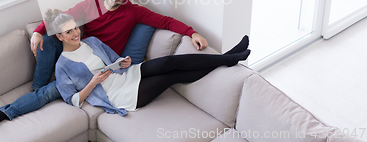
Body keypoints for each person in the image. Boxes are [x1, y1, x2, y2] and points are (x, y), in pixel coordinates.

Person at [0, 0, 209, 127]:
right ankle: (28, 93)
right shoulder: (89, 7)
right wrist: (38, 30)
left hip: (100, 63)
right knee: (48, 44)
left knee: (50, 92)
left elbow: (165, 21)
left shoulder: (133, 11)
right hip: (79, 56)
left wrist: (192, 32)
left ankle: (8, 111)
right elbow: (61, 19)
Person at [51, 10, 250, 114]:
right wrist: (93, 82)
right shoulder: (62, 66)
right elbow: (73, 100)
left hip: (127, 74)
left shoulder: (91, 42)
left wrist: (124, 62)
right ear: (60, 37)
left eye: (76, 28)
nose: (76, 33)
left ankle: (227, 57)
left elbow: (114, 60)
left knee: (168, 62)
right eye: (69, 32)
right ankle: (228, 59)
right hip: (120, 95)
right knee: (171, 77)